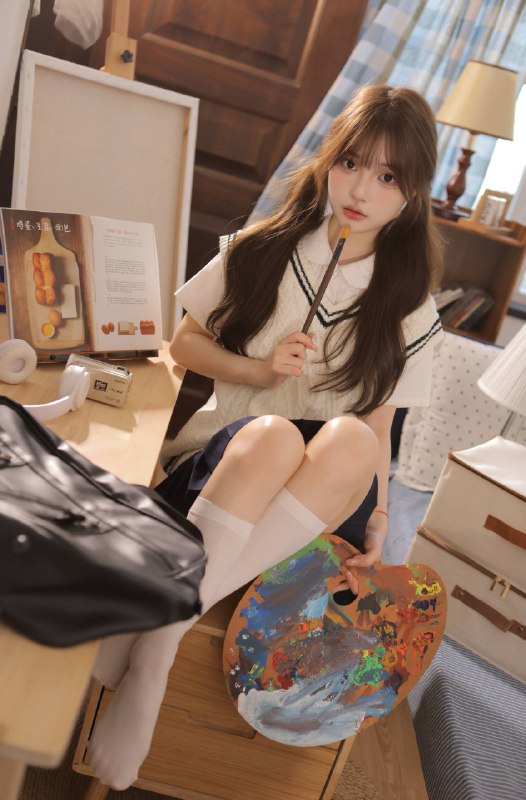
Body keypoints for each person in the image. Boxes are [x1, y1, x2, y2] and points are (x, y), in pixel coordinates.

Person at [88, 83, 443, 789]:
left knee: (351, 438)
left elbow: (379, 424)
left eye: (387, 176)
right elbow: (184, 342)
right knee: (276, 435)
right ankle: (160, 648)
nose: (361, 190)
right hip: (229, 468)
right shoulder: (264, 249)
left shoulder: (409, 304)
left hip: (319, 509)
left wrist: (378, 517)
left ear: (411, 193)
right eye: (352, 163)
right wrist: (259, 368)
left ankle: (157, 637)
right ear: (329, 161)